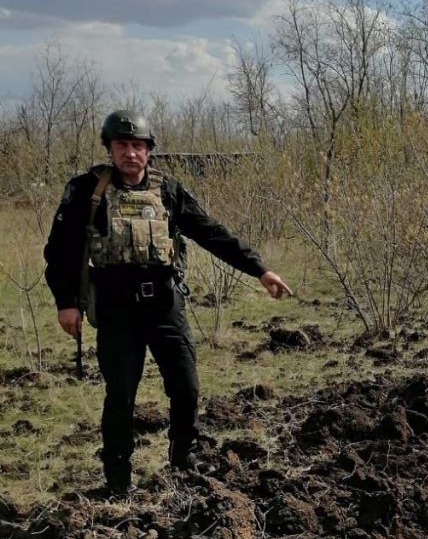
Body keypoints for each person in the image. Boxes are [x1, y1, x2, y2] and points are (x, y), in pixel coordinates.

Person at [43, 109, 291, 496]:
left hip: (164, 303)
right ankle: (118, 479)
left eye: (138, 145)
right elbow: (59, 251)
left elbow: (211, 232)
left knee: (186, 386)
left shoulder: (167, 190)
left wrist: (259, 269)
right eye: (122, 145)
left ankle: (184, 460)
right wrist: (66, 303)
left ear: (148, 150)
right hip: (115, 307)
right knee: (122, 393)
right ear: (109, 148)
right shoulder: (86, 192)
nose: (130, 153)